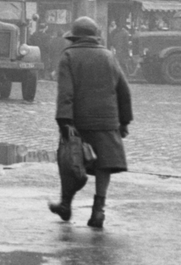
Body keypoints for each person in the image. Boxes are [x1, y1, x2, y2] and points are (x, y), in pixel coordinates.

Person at [49, 16, 133, 229]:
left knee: (69, 162)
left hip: (79, 120)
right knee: (105, 164)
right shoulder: (108, 56)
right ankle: (98, 211)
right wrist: (124, 121)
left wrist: (64, 121)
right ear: (96, 37)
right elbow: (124, 90)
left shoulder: (68, 56)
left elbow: (65, 93)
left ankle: (66, 205)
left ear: (74, 37)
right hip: (107, 120)